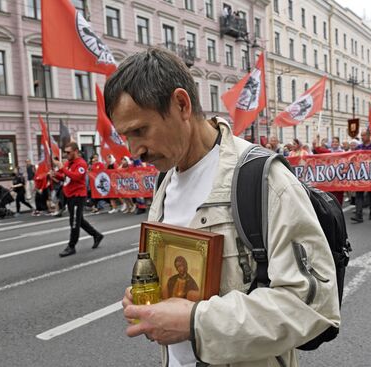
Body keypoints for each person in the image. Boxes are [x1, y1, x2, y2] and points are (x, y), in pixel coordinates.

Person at [105, 47, 339, 367]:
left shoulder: (263, 179)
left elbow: (313, 306)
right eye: (125, 137)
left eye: (140, 131)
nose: (135, 151)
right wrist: (150, 298)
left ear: (182, 104)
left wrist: (195, 322)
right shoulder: (164, 182)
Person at [52, 142, 104, 257]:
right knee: (79, 219)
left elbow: (76, 177)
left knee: (74, 221)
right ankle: (96, 235)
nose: (66, 154)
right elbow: (66, 177)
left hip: (78, 196)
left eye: (68, 152)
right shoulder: (68, 163)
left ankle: (71, 246)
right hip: (69, 195)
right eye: (65, 152)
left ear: (75, 151)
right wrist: (55, 175)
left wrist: (62, 168)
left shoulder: (81, 163)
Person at [351, 130, 371, 223]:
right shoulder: (359, 147)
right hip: (361, 174)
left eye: (364, 135)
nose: (362, 137)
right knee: (359, 194)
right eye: (361, 135)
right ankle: (359, 215)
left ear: (369, 136)